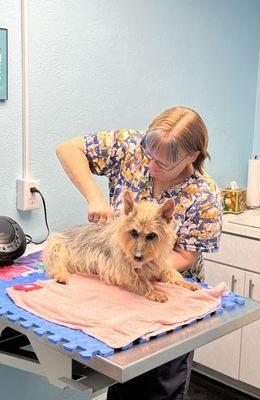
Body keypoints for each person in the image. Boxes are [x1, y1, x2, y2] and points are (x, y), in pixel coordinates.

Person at [56, 106, 223, 400]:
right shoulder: (129, 146)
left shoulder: (204, 196)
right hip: (124, 293)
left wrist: (139, 264)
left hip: (168, 295)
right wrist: (95, 197)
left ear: (191, 157)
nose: (151, 164)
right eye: (149, 154)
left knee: (160, 386)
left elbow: (185, 256)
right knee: (122, 380)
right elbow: (67, 149)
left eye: (164, 161)